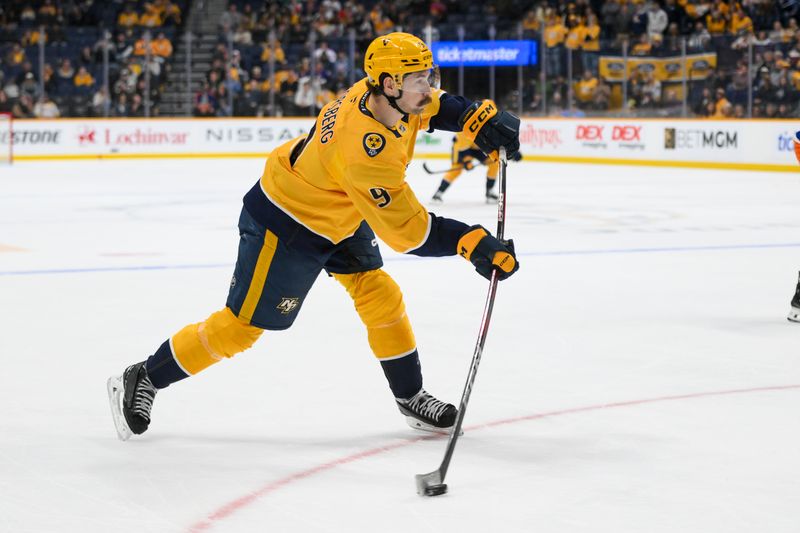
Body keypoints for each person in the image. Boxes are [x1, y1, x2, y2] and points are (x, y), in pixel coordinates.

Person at [107, 32, 520, 440]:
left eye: (429, 75)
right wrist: (470, 241)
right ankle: (144, 375)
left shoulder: (380, 93)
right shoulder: (365, 151)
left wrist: (472, 117)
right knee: (240, 329)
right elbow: (409, 234)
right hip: (289, 220)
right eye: (419, 79)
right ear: (391, 84)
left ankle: (410, 398)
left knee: (379, 294)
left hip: (339, 208)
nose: (429, 86)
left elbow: (434, 105)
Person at [431, 130, 522, 203]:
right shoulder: (463, 127)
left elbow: (498, 139)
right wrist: (467, 162)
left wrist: (512, 152)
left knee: (494, 163)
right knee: (456, 169)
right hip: (461, 148)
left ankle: (489, 192)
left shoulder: (490, 124)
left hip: (478, 148)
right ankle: (439, 192)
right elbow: (462, 148)